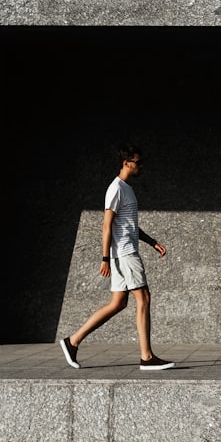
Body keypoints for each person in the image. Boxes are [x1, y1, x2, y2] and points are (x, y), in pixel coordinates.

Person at [60, 145, 174, 370]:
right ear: (126, 163)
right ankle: (146, 357)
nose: (141, 166)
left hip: (126, 251)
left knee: (118, 303)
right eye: (137, 162)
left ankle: (72, 341)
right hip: (124, 253)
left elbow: (130, 226)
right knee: (144, 298)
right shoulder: (116, 189)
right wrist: (104, 258)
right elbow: (106, 225)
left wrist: (152, 242)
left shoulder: (127, 189)